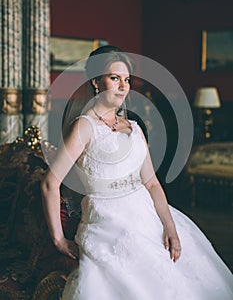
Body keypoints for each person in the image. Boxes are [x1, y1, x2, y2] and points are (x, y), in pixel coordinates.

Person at [41, 46, 233, 300]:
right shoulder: (84, 127)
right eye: (115, 78)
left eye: (127, 79)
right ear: (97, 82)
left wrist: (170, 226)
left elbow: (152, 183)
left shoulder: (134, 127)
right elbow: (49, 183)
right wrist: (58, 239)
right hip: (107, 221)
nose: (123, 86)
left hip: (147, 214)